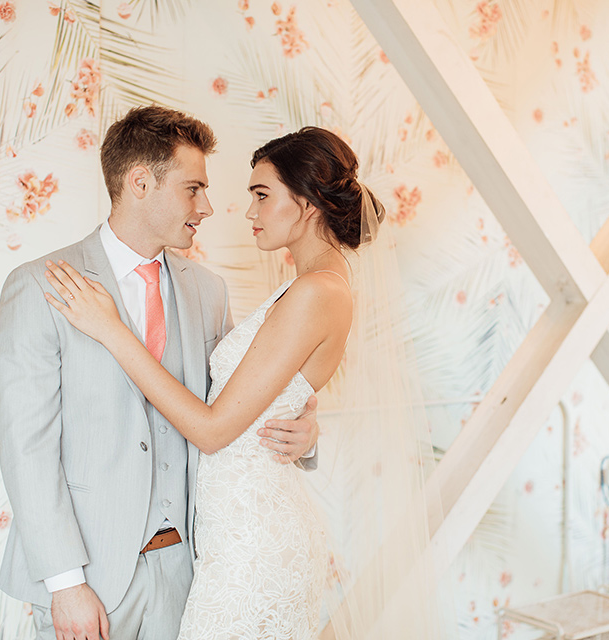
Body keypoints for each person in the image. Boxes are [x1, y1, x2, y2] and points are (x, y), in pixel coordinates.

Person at [0, 106, 320, 640]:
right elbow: (25, 446)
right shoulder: (42, 285)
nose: (208, 206)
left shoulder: (207, 290)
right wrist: (64, 582)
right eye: (193, 188)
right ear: (140, 182)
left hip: (193, 575)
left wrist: (305, 432)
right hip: (91, 581)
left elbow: (235, 405)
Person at [43, 126, 376, 639]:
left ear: (308, 203)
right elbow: (255, 394)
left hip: (252, 544)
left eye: (262, 195)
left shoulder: (315, 292)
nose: (246, 212)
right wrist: (307, 428)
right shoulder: (309, 288)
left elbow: (213, 428)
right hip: (222, 538)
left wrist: (112, 329)